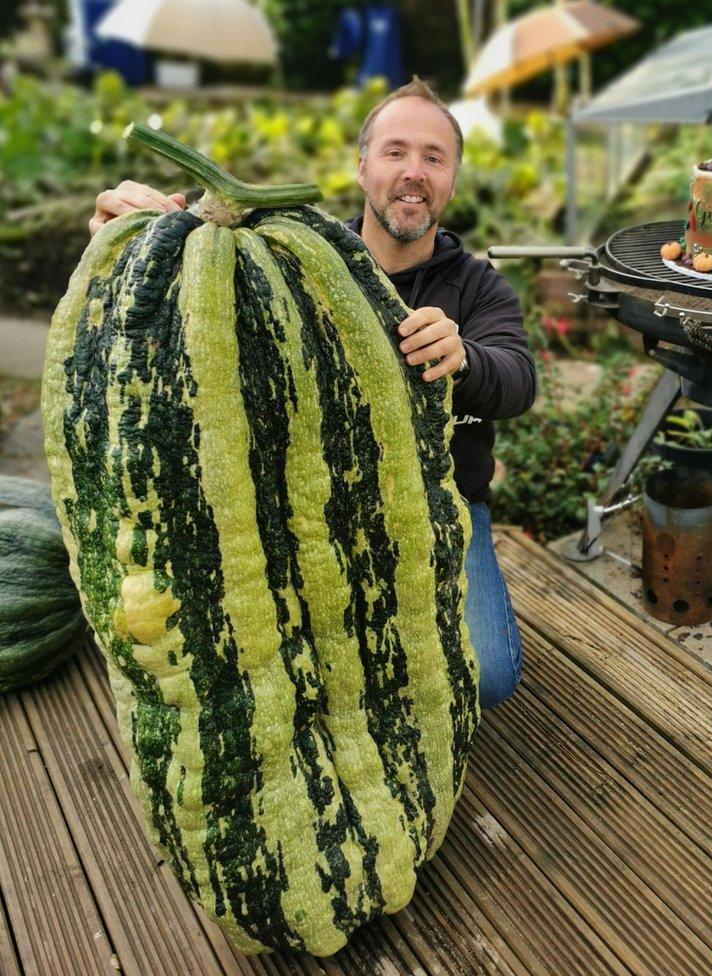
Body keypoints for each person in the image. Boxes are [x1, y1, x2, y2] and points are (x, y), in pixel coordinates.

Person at [88, 77, 537, 709]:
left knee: (486, 675)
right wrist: (126, 251)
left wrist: (466, 358)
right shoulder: (295, 262)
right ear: (362, 169)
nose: (414, 172)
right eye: (395, 152)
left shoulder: (479, 289)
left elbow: (518, 380)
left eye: (434, 158)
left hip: (445, 511)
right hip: (315, 509)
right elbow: (180, 342)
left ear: (453, 180)